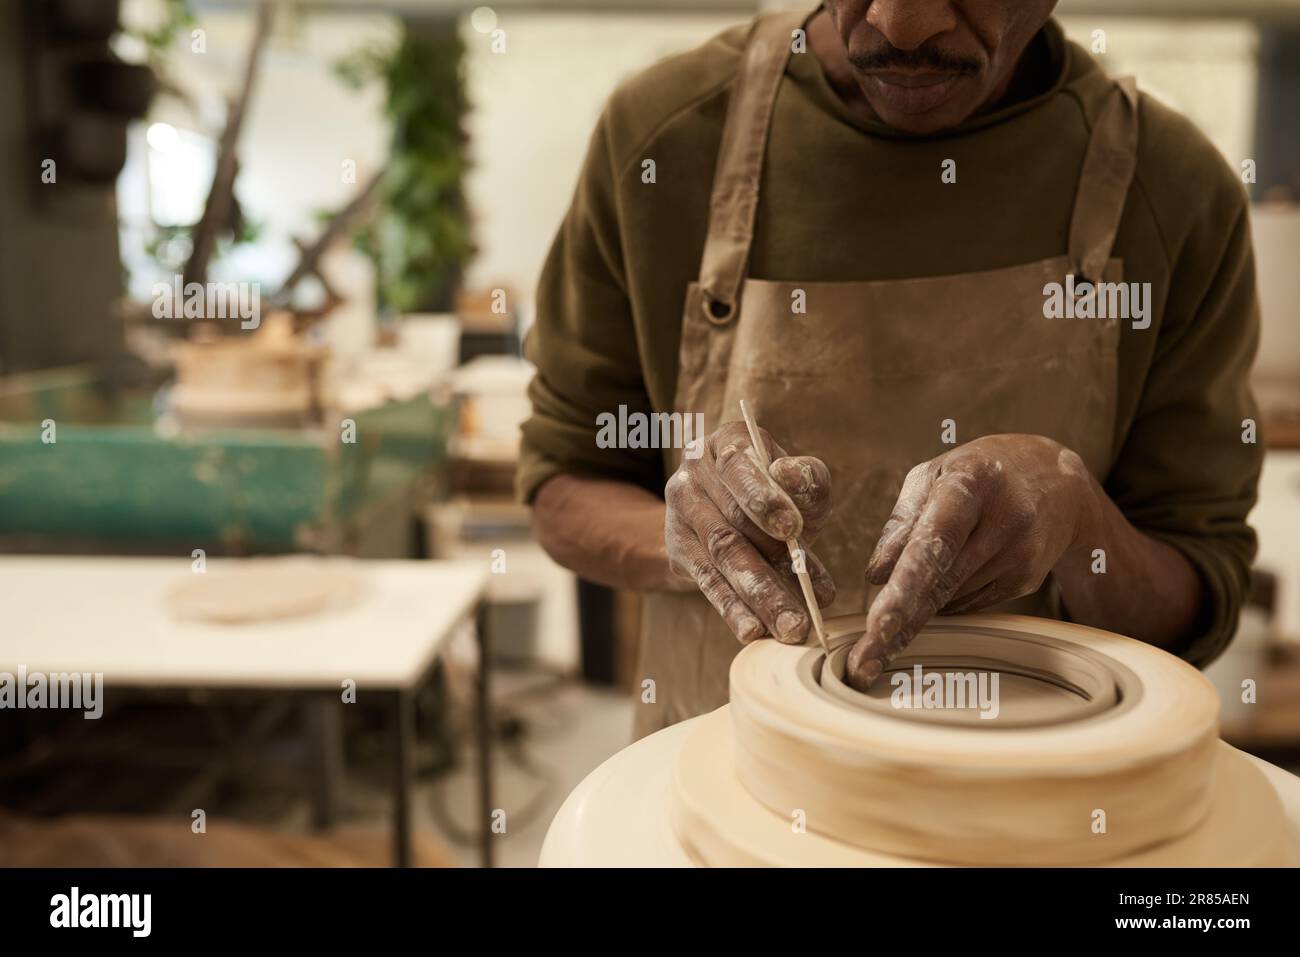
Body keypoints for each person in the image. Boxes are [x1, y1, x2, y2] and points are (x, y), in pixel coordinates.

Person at [519, 1, 1262, 737]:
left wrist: (1081, 519)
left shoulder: (1174, 191)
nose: (904, 26)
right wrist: (692, 540)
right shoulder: (663, 143)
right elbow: (562, 482)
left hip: (1034, 803)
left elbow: (1200, 593)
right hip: (735, 793)